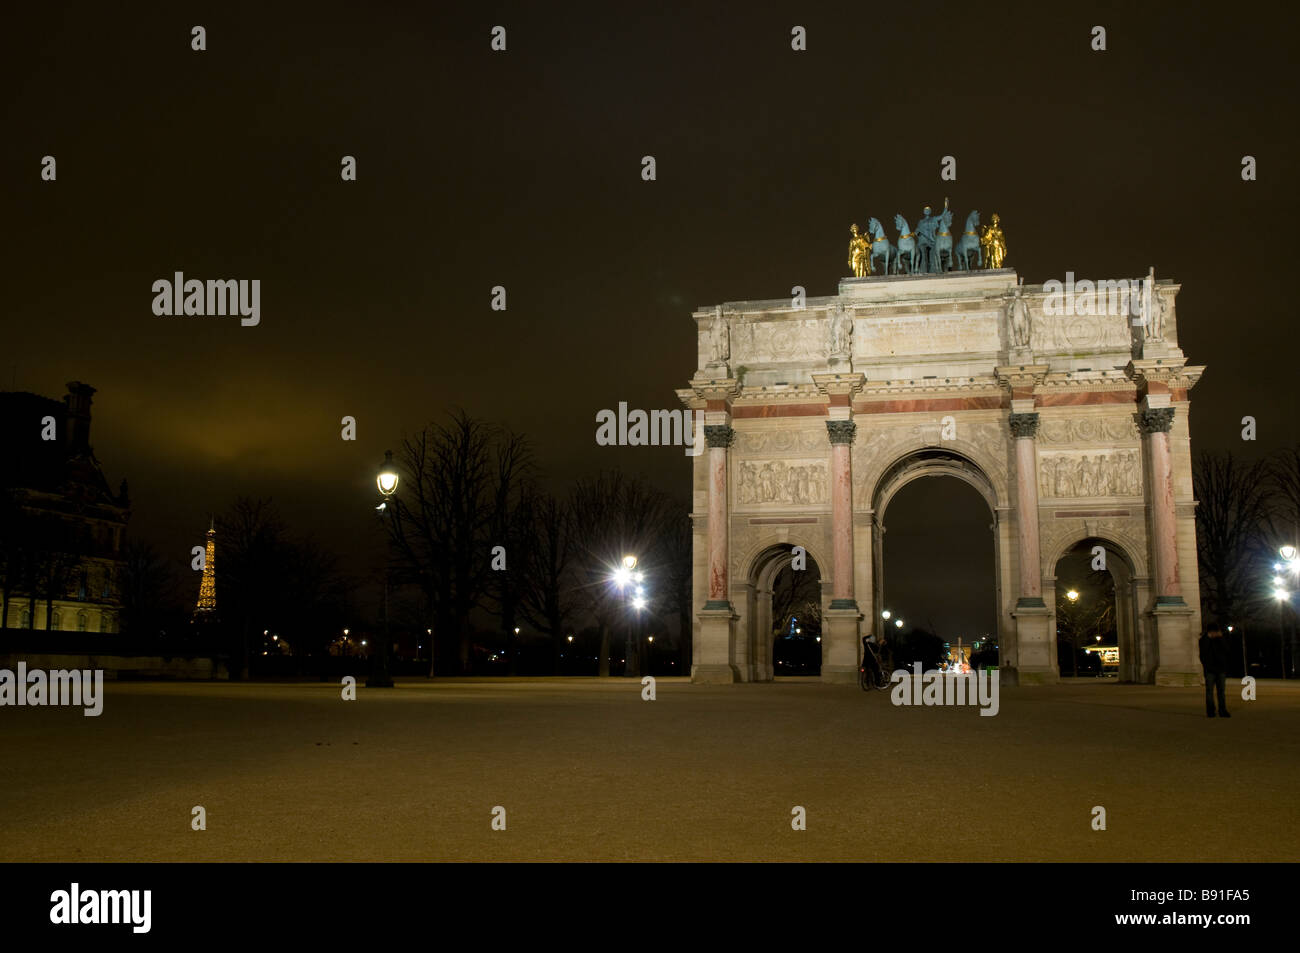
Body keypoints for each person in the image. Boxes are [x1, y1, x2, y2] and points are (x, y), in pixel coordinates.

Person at [1199, 623, 1230, 718]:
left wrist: (1220, 638)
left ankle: (1222, 710)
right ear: (1211, 632)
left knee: (1221, 692)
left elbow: (1227, 650)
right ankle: (1211, 711)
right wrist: (1207, 666)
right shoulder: (1203, 640)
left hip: (1220, 669)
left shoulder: (1220, 639)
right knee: (1210, 692)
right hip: (1210, 670)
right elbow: (1203, 654)